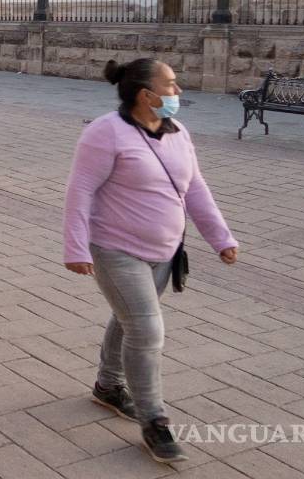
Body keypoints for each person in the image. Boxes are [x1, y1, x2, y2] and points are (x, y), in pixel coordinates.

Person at [63, 58, 239, 465]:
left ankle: (108, 386)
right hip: (115, 249)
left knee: (129, 318)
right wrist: (75, 247)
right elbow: (80, 190)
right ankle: (154, 420)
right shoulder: (105, 131)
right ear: (146, 95)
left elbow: (195, 188)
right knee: (146, 329)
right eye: (171, 84)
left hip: (165, 252)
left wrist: (220, 237)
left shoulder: (177, 132)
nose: (178, 91)